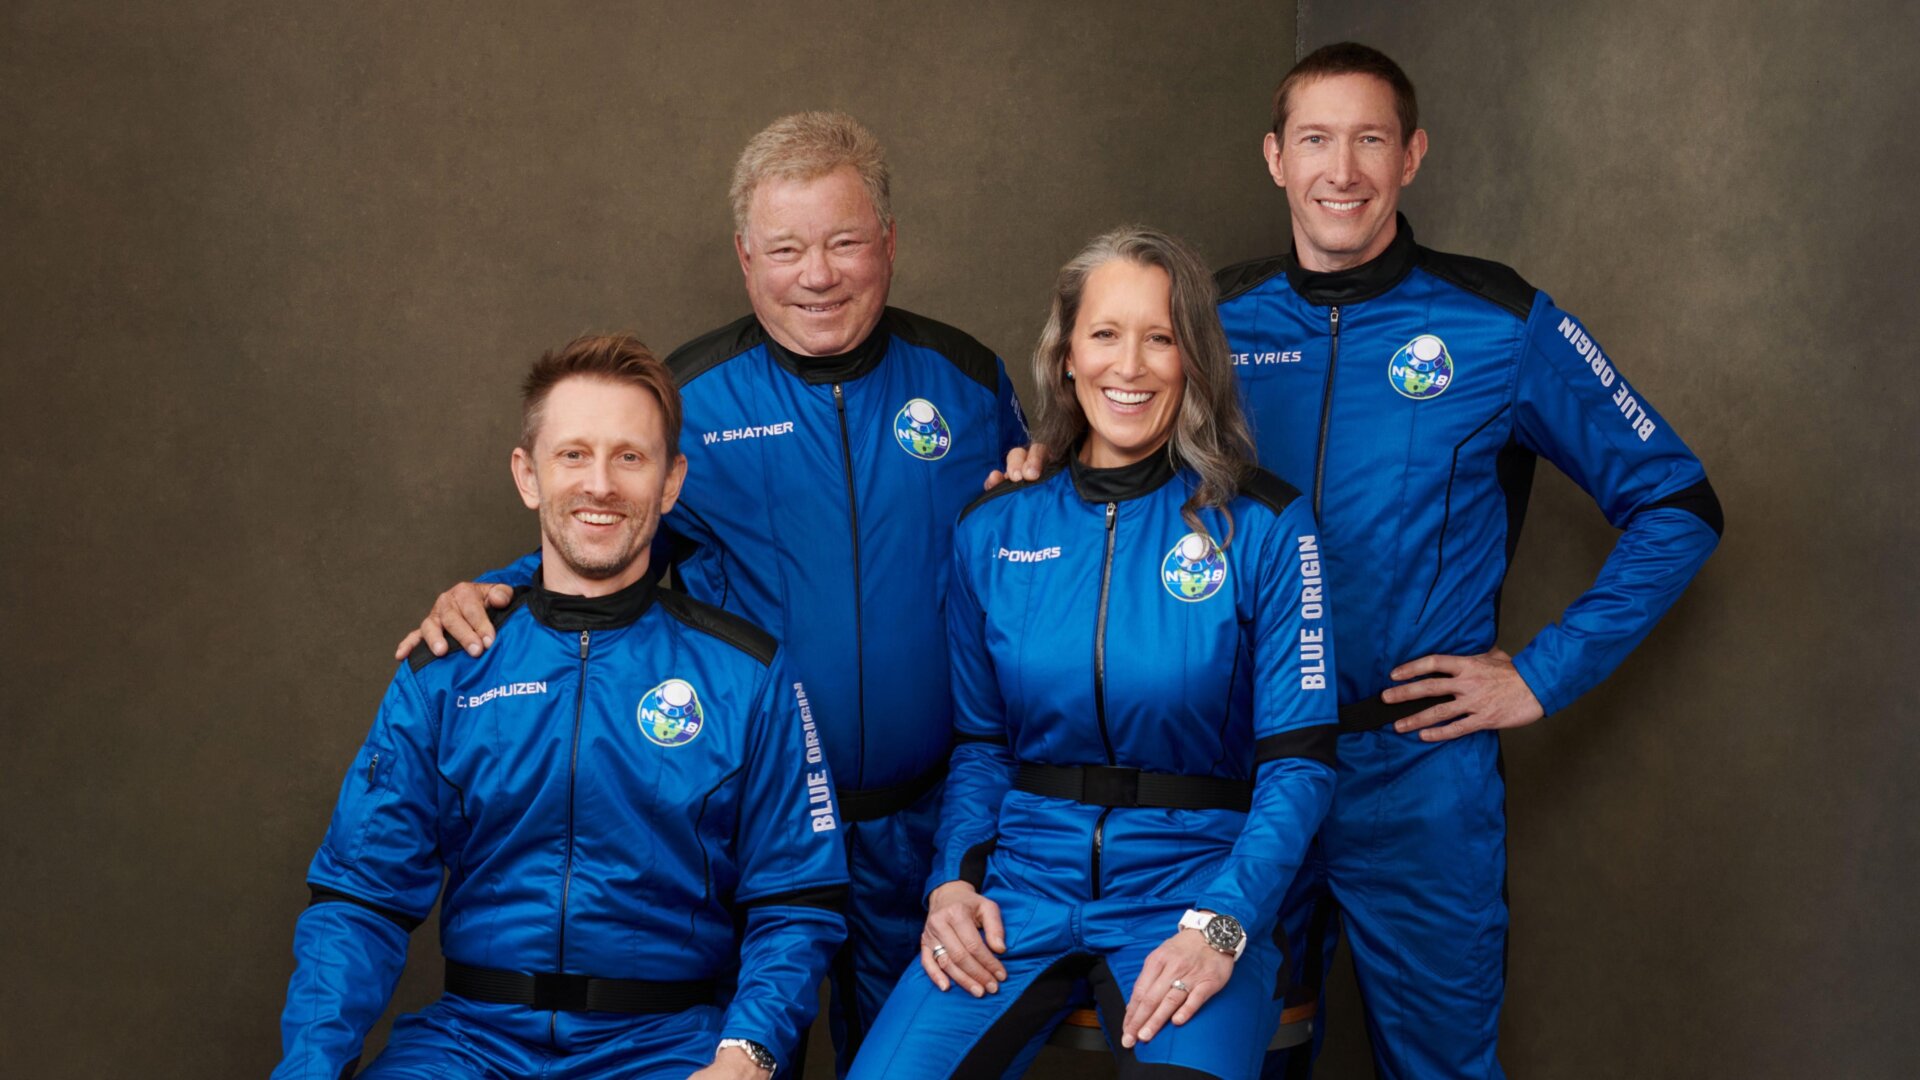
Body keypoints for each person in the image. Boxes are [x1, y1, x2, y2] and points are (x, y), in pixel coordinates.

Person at [395, 113, 1030, 1074]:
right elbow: (605, 526)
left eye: (845, 242)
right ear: (745, 259)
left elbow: (1041, 540)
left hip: (931, 828)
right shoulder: (695, 397)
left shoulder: (970, 383)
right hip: (746, 843)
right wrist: (493, 590)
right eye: (786, 249)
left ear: (889, 244)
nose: (817, 274)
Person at [275, 335, 848, 1080]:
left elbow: (797, 900)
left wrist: (747, 1053)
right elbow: (360, 899)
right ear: (528, 475)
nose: (600, 484)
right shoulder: (446, 672)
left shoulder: (749, 676)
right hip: (469, 1045)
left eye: (630, 457)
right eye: (573, 455)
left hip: (665, 1046)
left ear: (671, 483)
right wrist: (309, 1070)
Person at [847, 227, 1339, 1080]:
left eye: (1161, 337)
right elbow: (980, 746)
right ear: (1067, 354)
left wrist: (1222, 925)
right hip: (1021, 892)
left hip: (1191, 891)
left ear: (1195, 360)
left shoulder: (1263, 526)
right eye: (1106, 334)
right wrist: (953, 885)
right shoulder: (995, 528)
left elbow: (1301, 765)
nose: (1131, 365)